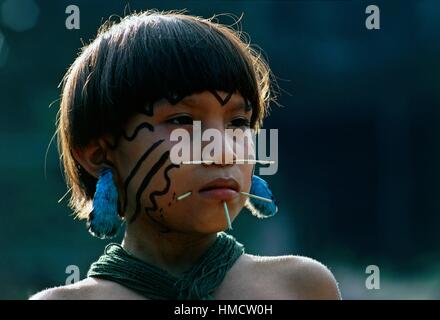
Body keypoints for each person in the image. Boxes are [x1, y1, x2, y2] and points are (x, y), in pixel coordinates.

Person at [30, 10, 340, 300]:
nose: (223, 151)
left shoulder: (300, 287)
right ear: (99, 154)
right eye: (181, 121)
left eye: (238, 123)